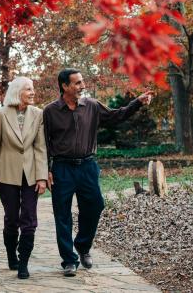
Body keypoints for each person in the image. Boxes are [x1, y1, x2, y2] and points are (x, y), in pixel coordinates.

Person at [43, 68, 153, 277]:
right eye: (77, 83)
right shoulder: (50, 111)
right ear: (64, 86)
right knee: (62, 215)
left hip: (87, 166)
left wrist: (137, 102)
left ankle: (83, 246)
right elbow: (44, 143)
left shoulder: (91, 106)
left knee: (95, 205)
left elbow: (115, 116)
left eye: (82, 82)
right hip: (62, 168)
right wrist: (46, 169)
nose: (82, 86)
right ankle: (69, 260)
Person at [0, 77, 48, 279]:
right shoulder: (0, 114)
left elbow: (40, 148)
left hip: (31, 175)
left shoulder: (38, 114)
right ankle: (11, 254)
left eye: (33, 89)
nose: (32, 92)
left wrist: (41, 177)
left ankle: (23, 263)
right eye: (28, 89)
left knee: (29, 219)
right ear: (17, 92)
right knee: (12, 219)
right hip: (7, 175)